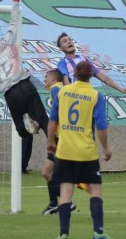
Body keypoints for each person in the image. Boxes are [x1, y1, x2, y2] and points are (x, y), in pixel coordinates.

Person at [47, 61, 113, 239]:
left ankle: (63, 234)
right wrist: (106, 148)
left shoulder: (63, 92)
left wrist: (50, 141)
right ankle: (98, 231)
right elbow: (101, 126)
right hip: (87, 152)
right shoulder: (95, 95)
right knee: (95, 191)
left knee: (66, 192)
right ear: (91, 75)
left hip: (65, 151)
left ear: (74, 74)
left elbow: (53, 120)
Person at [0, 0, 48, 138]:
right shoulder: (8, 41)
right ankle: (55, 144)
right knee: (43, 117)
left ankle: (29, 124)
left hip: (11, 92)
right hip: (25, 84)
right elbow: (14, 20)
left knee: (20, 130)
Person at [41, 69, 82, 215]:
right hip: (62, 136)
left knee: (50, 172)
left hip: (61, 138)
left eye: (46, 76)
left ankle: (65, 203)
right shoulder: (59, 89)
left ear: (52, 78)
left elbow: (60, 112)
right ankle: (54, 204)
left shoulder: (56, 89)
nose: (44, 78)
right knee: (47, 172)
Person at [55, 32, 126, 96]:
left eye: (70, 40)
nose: (69, 42)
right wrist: (72, 96)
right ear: (61, 48)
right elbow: (66, 81)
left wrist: (120, 88)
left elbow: (103, 77)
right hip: (73, 97)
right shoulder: (62, 63)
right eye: (65, 41)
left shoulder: (83, 59)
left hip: (87, 96)